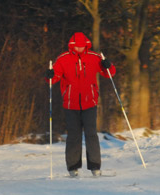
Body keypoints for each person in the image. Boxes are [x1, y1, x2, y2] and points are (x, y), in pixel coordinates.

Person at [48, 32, 116, 177]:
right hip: (70, 103)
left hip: (90, 102)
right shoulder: (63, 59)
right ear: (72, 46)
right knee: (73, 135)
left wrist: (108, 66)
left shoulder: (94, 57)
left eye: (82, 46)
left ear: (86, 45)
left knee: (91, 134)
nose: (79, 49)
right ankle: (73, 168)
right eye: (77, 46)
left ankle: (95, 167)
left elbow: (109, 73)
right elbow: (54, 77)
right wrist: (50, 75)